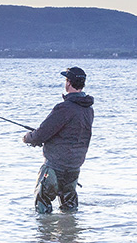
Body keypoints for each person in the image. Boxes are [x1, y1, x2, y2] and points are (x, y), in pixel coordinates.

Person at [23, 67, 95, 213]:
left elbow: (41, 134)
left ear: (68, 83)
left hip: (55, 166)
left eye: (66, 80)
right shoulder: (88, 109)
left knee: (42, 209)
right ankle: (70, 234)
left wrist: (28, 138)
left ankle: (43, 235)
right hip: (74, 166)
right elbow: (70, 134)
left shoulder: (64, 108)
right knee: (70, 209)